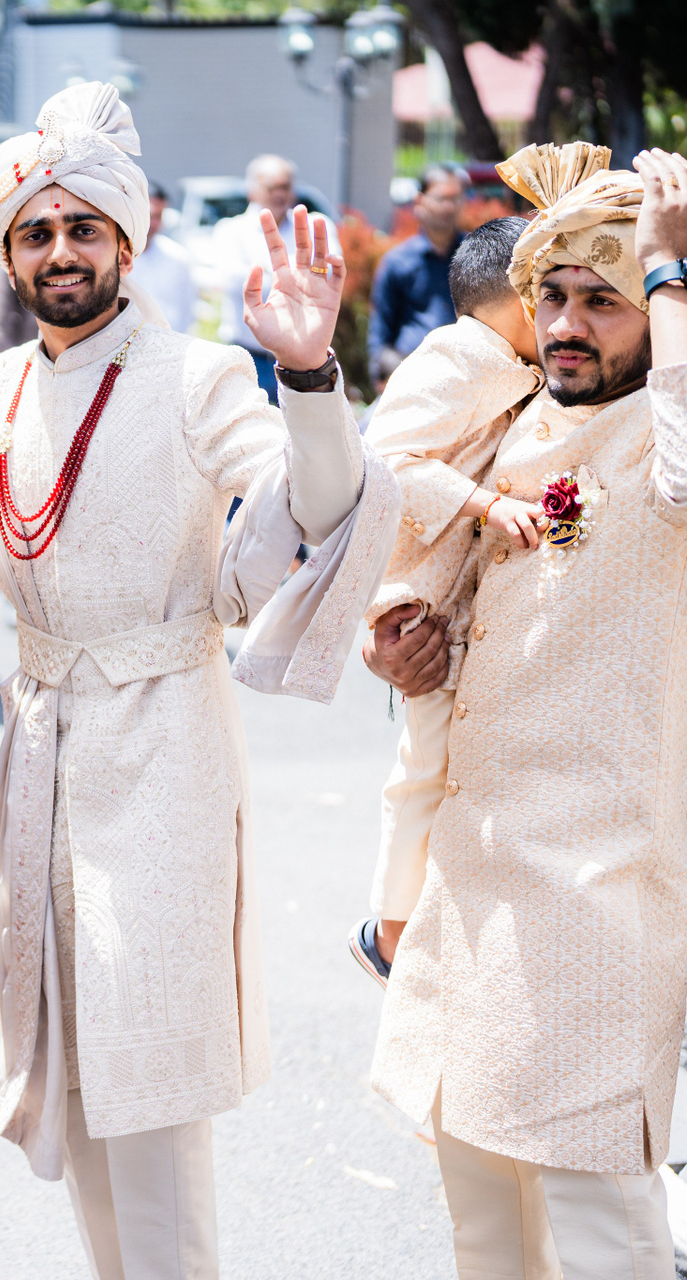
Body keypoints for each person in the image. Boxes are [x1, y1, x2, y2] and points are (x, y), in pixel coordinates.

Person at [0, 83, 395, 1280]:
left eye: (83, 227)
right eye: (36, 231)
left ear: (128, 243)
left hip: (164, 740)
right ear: (10, 255)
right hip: (39, 738)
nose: (60, 250)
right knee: (74, 1059)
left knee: (147, 1061)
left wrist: (307, 372)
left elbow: (318, 505)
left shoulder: (198, 374)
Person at [365, 141, 687, 1280]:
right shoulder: (517, 422)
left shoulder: (663, 435)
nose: (565, 325)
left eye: (603, 300)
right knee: (485, 1226)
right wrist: (405, 646)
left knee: (601, 1229)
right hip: (476, 879)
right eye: (552, 295)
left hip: (600, 896)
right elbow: (426, 570)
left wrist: (671, 273)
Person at [346, 215, 542, 986]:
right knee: (426, 768)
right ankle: (391, 933)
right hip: (420, 598)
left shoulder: (509, 362)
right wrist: (486, 504)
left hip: (458, 594)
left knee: (448, 770)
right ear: (523, 297)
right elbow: (384, 460)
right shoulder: (458, 355)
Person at [210, 153, 336, 403]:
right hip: (247, 354)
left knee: (301, 424)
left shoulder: (316, 227)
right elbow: (233, 281)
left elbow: (328, 277)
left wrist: (269, 274)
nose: (279, 194)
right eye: (271, 187)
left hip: (301, 355)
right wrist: (296, 280)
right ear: (251, 191)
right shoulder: (230, 230)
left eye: (285, 187)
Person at [368, 164, 467, 391]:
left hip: (467, 378)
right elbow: (380, 333)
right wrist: (383, 373)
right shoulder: (398, 261)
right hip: (410, 378)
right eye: (441, 198)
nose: (448, 206)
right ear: (420, 201)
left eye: (455, 198)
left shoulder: (475, 256)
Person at [134, 180, 203, 334]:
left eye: (158, 216)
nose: (152, 223)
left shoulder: (178, 257)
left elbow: (188, 310)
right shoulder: (110, 257)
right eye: (148, 215)